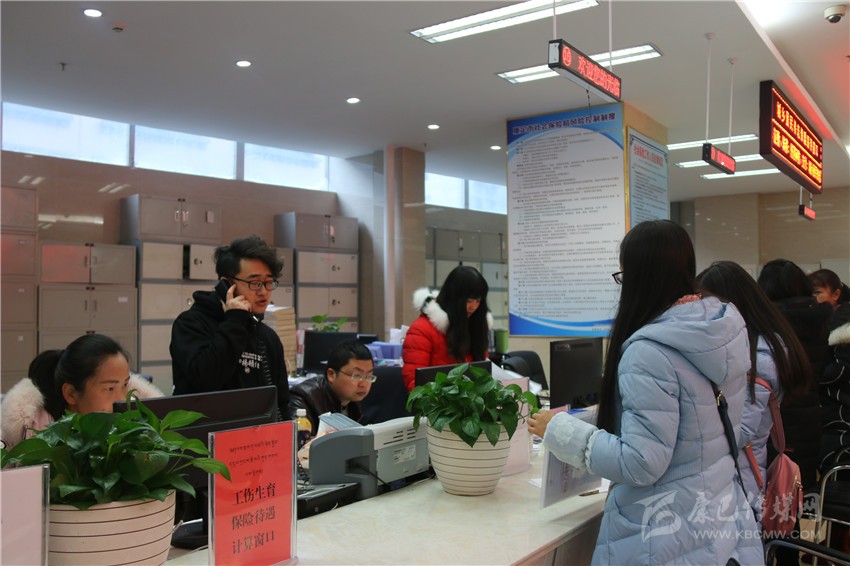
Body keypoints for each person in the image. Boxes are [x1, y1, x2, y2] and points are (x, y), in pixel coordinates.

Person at [527, 220, 762, 565]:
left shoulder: (649, 351)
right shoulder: (722, 330)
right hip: (712, 514)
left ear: (640, 277)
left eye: (623, 276)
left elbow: (641, 463)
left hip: (661, 532)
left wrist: (561, 432)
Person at [697, 261, 813, 528]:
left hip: (740, 485)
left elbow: (739, 433)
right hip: (739, 479)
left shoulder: (755, 359)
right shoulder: (756, 348)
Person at [170, 235, 290, 419]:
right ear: (227, 284)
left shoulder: (267, 337)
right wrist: (235, 321)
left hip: (255, 434)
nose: (263, 292)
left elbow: (281, 402)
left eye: (268, 282)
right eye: (254, 283)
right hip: (203, 433)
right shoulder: (190, 324)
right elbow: (206, 380)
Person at [1, 334, 162, 450]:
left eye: (125, 384)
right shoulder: (32, 435)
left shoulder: (136, 425)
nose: (121, 398)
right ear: (71, 394)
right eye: (109, 388)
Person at [757, 258, 831, 490]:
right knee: (800, 486)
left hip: (777, 419)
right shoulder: (820, 319)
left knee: (774, 491)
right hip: (811, 417)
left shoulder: (769, 324)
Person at [401, 265, 492, 392]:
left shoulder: (475, 325)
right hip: (437, 403)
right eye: (469, 301)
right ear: (453, 298)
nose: (473, 307)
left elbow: (482, 372)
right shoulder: (422, 330)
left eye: (478, 301)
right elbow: (414, 383)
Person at [289, 339, 375, 435]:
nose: (363, 384)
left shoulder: (358, 398)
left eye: (369, 376)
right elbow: (300, 441)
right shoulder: (303, 397)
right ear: (331, 375)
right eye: (357, 376)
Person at [809, 269, 850, 472]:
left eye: (818, 293)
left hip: (841, 408)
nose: (813, 299)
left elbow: (841, 369)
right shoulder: (822, 322)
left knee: (836, 462)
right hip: (830, 407)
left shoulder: (844, 328)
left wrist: (812, 375)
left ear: (836, 294)